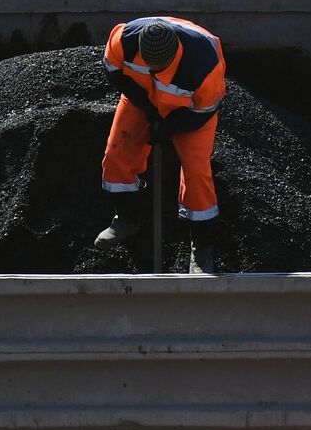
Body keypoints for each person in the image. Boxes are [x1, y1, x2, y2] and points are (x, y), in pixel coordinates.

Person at [94, 16, 228, 269]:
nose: (154, 69)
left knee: (196, 170)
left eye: (160, 66)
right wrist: (145, 104)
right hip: (141, 95)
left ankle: (202, 246)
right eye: (148, 64)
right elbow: (113, 70)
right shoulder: (125, 40)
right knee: (117, 152)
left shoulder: (204, 66)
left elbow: (203, 112)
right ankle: (126, 219)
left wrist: (170, 126)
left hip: (190, 110)